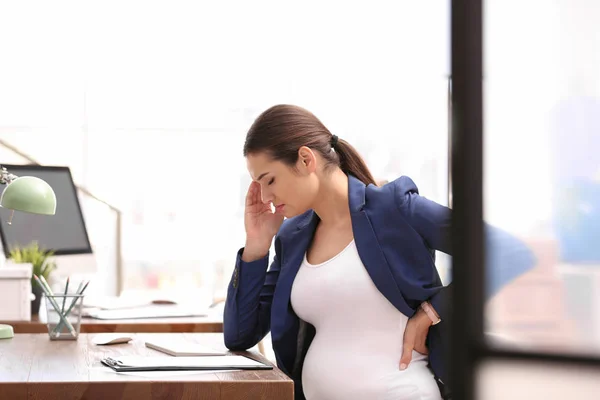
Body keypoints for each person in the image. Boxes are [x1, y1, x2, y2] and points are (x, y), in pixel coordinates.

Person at [223, 104, 535, 400]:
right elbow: (239, 336)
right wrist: (257, 244)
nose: (265, 197)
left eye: (270, 180)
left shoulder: (395, 209)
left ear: (306, 160)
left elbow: (507, 252)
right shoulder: (293, 237)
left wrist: (434, 309)